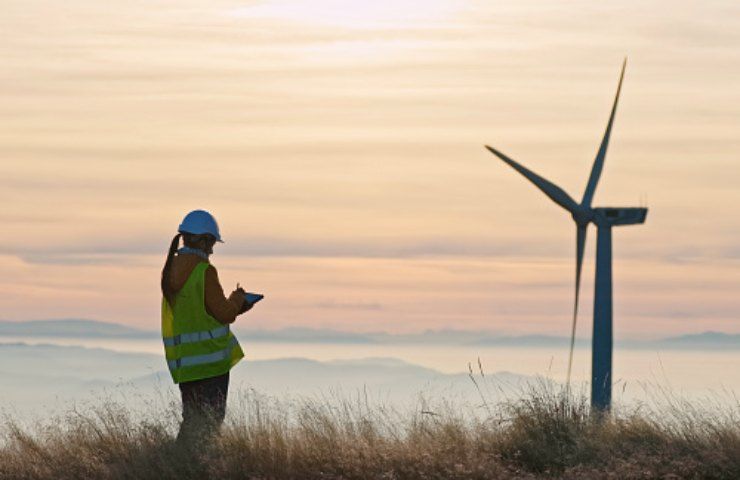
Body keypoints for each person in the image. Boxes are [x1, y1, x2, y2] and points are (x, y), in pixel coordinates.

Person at [160, 209, 251, 446]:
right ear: (201, 240)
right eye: (211, 243)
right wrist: (239, 299)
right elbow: (224, 313)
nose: (211, 250)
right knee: (210, 425)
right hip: (211, 366)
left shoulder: (171, 272)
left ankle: (178, 465)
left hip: (187, 366)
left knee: (191, 422)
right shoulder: (204, 271)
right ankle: (197, 467)